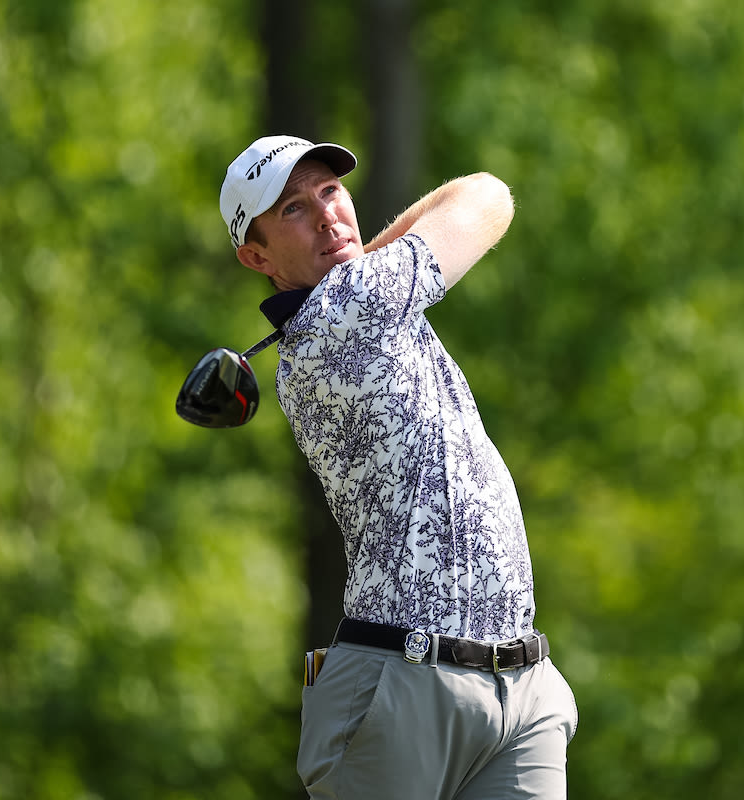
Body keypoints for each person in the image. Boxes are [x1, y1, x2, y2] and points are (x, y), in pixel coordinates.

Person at [219, 135, 578, 798]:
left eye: (330, 190)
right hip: (402, 684)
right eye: (293, 210)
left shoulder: (365, 298)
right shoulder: (349, 311)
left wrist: (366, 261)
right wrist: (370, 264)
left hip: (521, 685)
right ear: (257, 256)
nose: (327, 213)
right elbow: (488, 195)